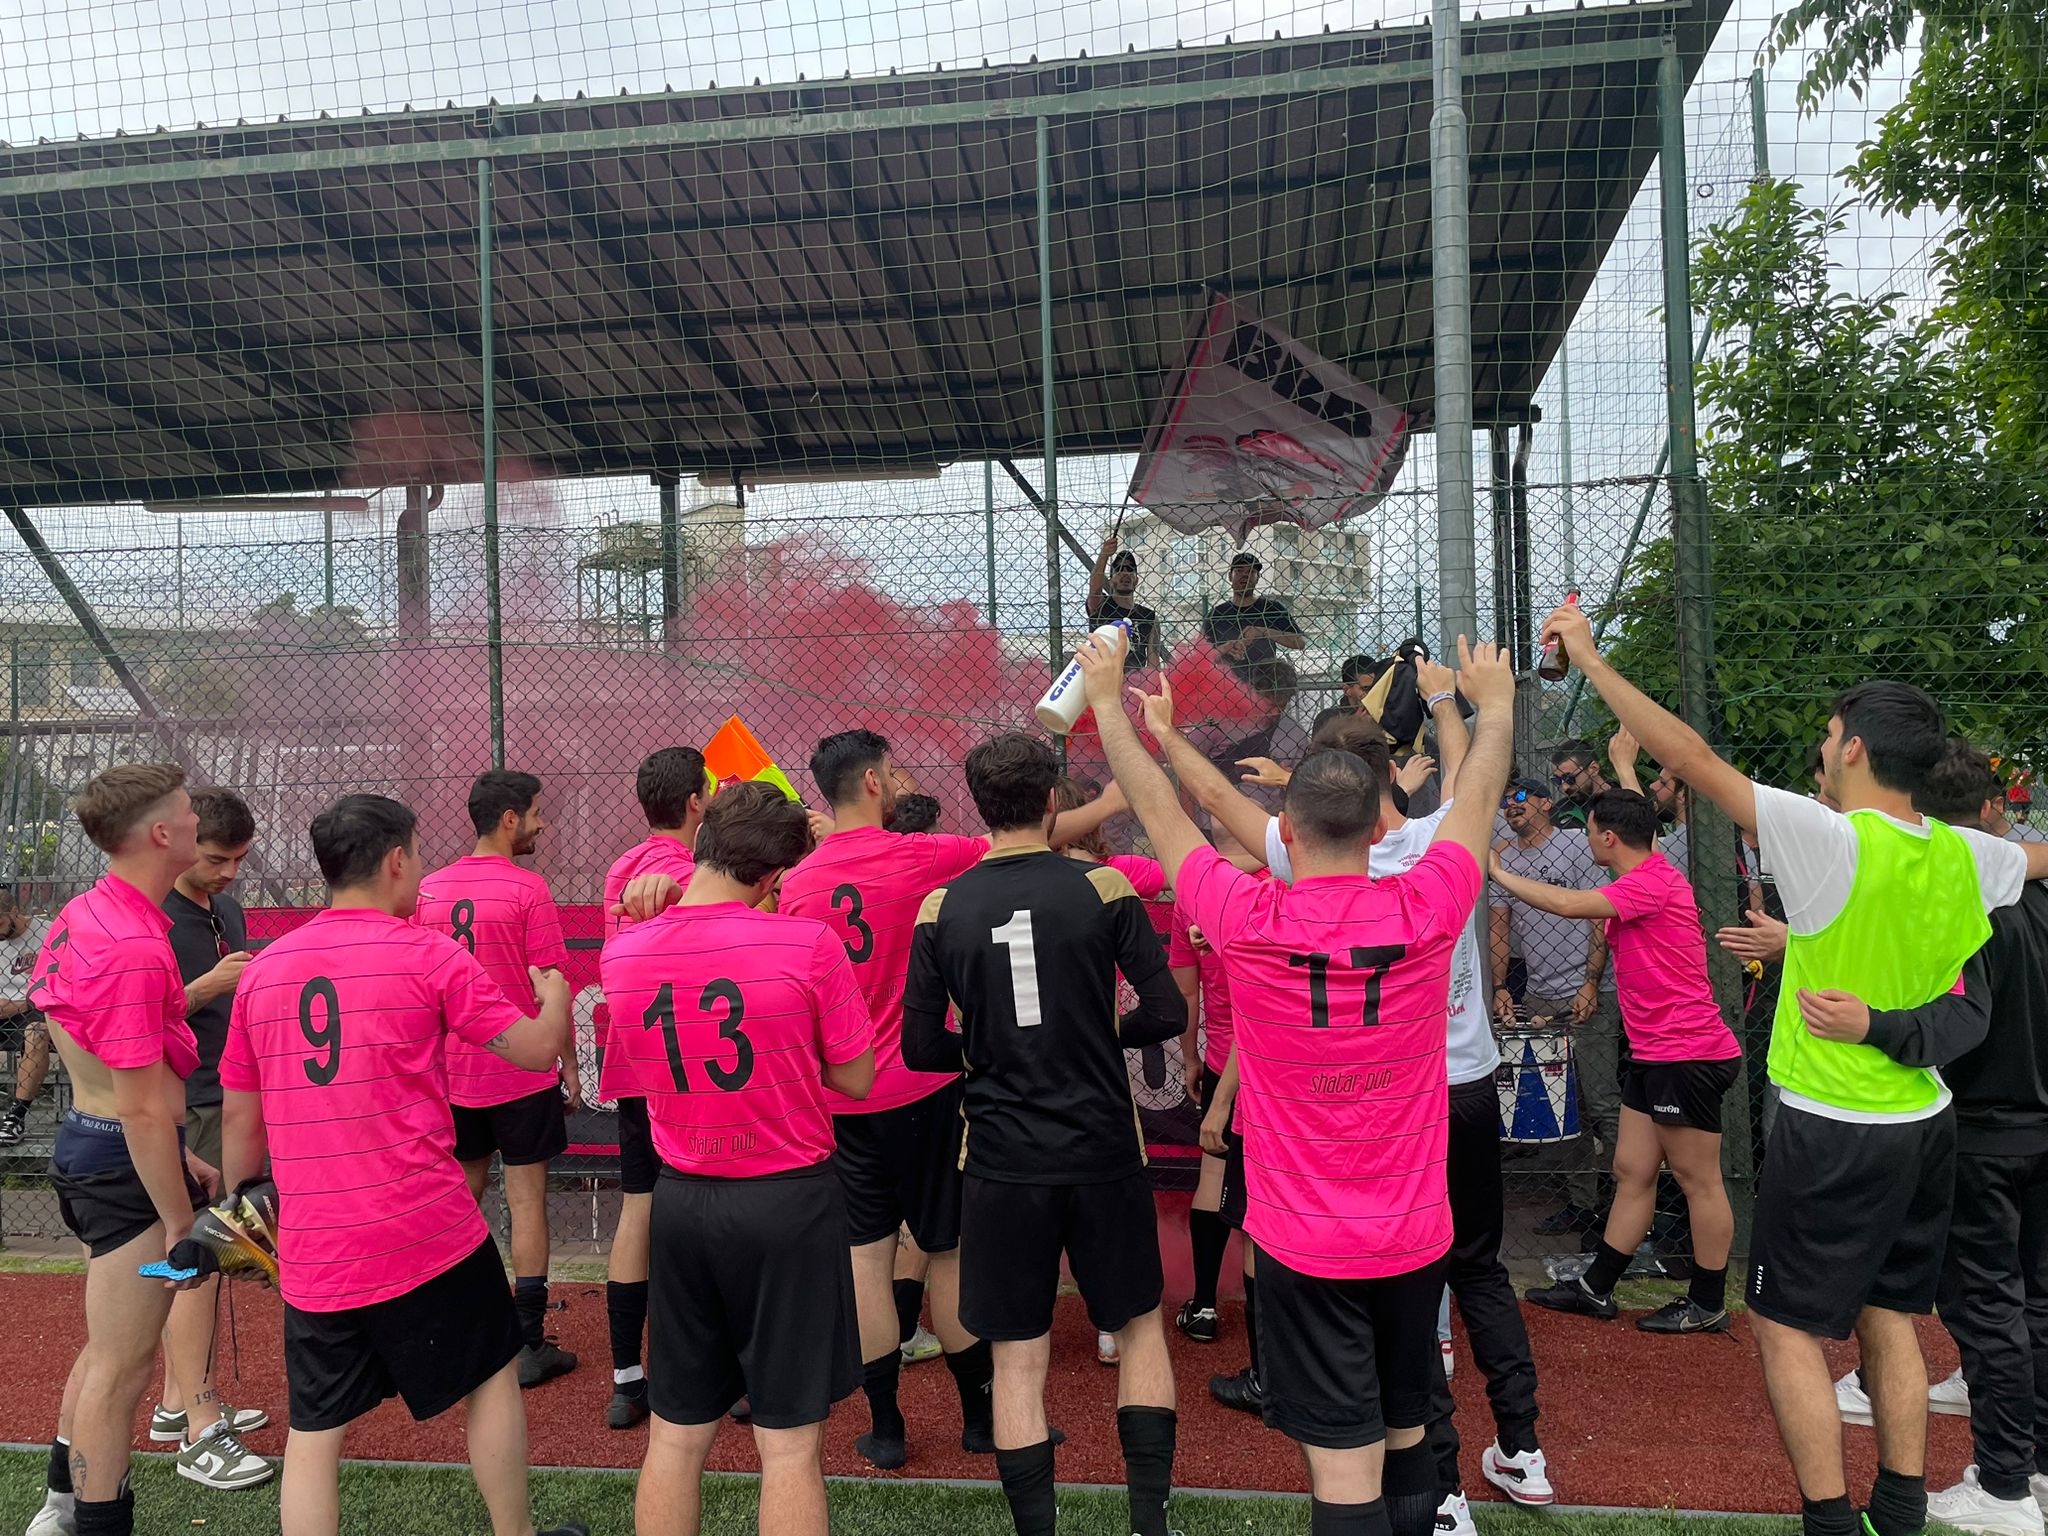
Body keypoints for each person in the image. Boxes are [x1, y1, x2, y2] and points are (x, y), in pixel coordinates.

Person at [1537, 598, 2048, 1536]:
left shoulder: (1831, 839)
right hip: (1925, 1125)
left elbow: (1691, 759)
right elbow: (2037, 860)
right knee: (1890, 1319)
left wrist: (1594, 660)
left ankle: (1829, 1522)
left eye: (1828, 733)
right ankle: (1898, 1514)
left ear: (1854, 748)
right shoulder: (1970, 855)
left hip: (1832, 1127)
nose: (1822, 746)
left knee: (1783, 1327)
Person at [1079, 624, 1520, 1536]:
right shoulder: (1429, 904)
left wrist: (1115, 708)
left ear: (1283, 831)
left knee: (1343, 1465)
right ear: (1380, 826)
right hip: (1411, 1232)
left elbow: (1164, 815)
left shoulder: (1246, 915)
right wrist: (1497, 707)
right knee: (1408, 1435)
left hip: (1303, 1239)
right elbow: (1475, 796)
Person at [216, 793, 583, 1536]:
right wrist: (555, 997)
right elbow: (537, 1051)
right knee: (490, 1379)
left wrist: (245, 1211)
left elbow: (239, 1121)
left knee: (315, 1432)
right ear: (394, 860)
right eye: (415, 854)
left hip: (318, 1243)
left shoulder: (262, 971)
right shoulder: (429, 954)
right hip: (428, 1230)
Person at [900, 731, 1186, 1536]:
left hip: (1001, 1157)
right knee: (1139, 1330)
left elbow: (919, 1047)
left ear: (979, 807)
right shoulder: (1102, 885)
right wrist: (1093, 1035)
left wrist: (989, 1047)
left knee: (1019, 1356)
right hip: (1102, 1149)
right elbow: (1166, 1011)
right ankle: (1149, 1526)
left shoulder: (942, 906)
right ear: (1054, 801)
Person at [601, 782, 876, 1536]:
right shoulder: (807, 943)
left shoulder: (624, 950)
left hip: (683, 1199)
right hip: (787, 1200)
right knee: (787, 1447)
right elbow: (856, 1077)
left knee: (675, 1435)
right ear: (773, 876)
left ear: (700, 843)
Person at [1801, 743, 2048, 1535]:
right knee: (2026, 1303)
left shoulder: (1955, 903)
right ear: (1989, 811)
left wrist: (1873, 1024)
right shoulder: (2029, 894)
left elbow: (1953, 1021)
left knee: (1989, 1307)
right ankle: (2029, 1465)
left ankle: (2006, 1488)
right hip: (2032, 1122)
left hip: (1981, 1130)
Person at [779, 729, 1004, 1470]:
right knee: (948, 1249)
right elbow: (1015, 840)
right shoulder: (918, 855)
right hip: (925, 1085)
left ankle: (886, 1429)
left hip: (844, 1096)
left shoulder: (798, 884)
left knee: (866, 1262)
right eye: (895, 770)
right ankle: (979, 1421)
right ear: (873, 782)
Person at [28, 765, 213, 1536]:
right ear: (161, 833)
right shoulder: (135, 945)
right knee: (124, 1366)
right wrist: (180, 1221)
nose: (198, 820)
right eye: (188, 811)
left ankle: (59, 1508)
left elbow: (91, 1055)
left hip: (93, 1146)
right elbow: (138, 1106)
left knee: (108, 1348)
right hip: (123, 1168)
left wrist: (178, 1154)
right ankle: (93, 1520)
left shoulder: (88, 910)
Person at [1499, 788, 1744, 1333]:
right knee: (1632, 1170)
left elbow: (1566, 905)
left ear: (1609, 837)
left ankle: (1708, 1303)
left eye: (1589, 830)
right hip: (1655, 1053)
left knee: (1698, 1179)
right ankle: (1597, 1288)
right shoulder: (1642, 876)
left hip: (1686, 1055)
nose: (1585, 838)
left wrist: (1498, 871)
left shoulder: (1650, 882)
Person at [415, 769, 577, 1388]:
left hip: (453, 1075)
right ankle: (528, 1340)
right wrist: (569, 1065)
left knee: (459, 1198)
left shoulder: (428, 889)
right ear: (509, 819)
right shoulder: (527, 888)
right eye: (535, 813)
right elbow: (550, 988)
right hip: (520, 1071)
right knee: (527, 1201)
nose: (541, 823)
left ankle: (449, 1323)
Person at [151, 787, 275, 1488]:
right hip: (186, 1097)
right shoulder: (152, 917)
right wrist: (207, 986)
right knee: (197, 1254)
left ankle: (178, 1402)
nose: (229, 873)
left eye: (239, 860)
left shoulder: (225, 909)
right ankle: (200, 1425)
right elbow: (138, 1019)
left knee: (212, 1249)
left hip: (228, 1091)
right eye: (217, 859)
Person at [597, 746, 708, 1429]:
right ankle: (705, 1370)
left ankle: (627, 1378)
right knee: (704, 1210)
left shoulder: (623, 866)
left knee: (638, 1209)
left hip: (635, 1061)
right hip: (691, 1069)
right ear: (695, 802)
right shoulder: (696, 872)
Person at [1487, 777, 1620, 1238]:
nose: (1512, 805)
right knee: (1564, 1107)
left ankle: (1627, 1203)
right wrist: (1500, 986)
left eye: (1521, 797)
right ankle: (1583, 1203)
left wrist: (1591, 982)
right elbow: (1499, 926)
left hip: (1590, 991)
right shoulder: (1504, 857)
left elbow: (1600, 913)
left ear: (1546, 803)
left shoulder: (1576, 844)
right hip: (1540, 994)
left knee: (1602, 1100)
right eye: (1506, 800)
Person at [0, 888, 52, 1146]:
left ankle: (15, 1118)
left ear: (14, 911)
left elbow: (62, 984)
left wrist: (23, 1004)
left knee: (36, 1032)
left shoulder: (49, 932)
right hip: (9, 1007)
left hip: (38, 1008)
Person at [1202, 552, 1303, 674]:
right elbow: (1200, 655)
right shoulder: (1216, 614)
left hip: (1265, 681)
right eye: (1239, 570)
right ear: (1230, 576)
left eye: (1251, 571)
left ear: (1258, 577)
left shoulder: (1271, 608)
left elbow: (1300, 643)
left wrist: (1261, 631)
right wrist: (1225, 649)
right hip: (1226, 682)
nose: (1245, 575)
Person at [1086, 536, 1164, 671]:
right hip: (1101, 675)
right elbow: (1095, 588)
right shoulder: (1101, 606)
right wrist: (1104, 555)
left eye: (1130, 569)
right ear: (1110, 580)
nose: (1125, 574)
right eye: (1119, 569)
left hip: (1134, 679)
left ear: (1136, 580)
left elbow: (1153, 660)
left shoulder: (1149, 617)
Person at [1548, 740, 1610, 830]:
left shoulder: (1622, 801)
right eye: (1557, 780)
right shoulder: (1559, 811)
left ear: (1593, 769)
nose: (1565, 787)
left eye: (1569, 778)